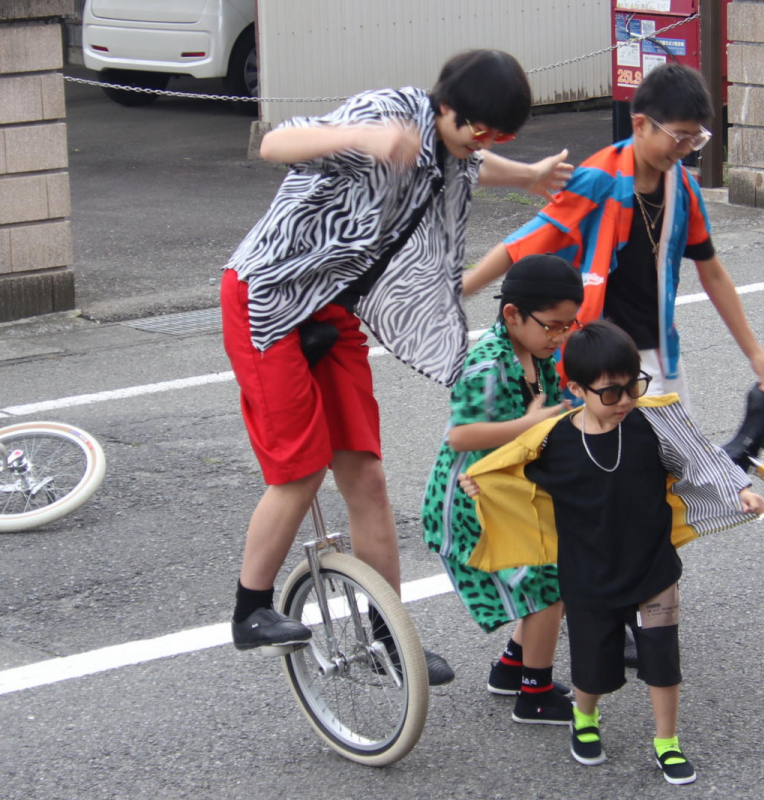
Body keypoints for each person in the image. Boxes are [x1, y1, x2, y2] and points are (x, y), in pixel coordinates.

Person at [220, 49, 573, 687]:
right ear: (449, 109)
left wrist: (526, 175)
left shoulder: (455, 144)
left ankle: (386, 635)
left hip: (332, 306)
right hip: (268, 298)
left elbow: (466, 163)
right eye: (483, 131)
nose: (486, 144)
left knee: (367, 474)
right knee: (300, 470)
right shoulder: (385, 112)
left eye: (501, 136)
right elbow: (278, 142)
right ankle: (249, 608)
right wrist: (366, 137)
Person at [461, 320, 764, 785]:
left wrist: (738, 488)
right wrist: (476, 481)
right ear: (578, 388)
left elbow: (700, 455)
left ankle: (667, 741)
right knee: (592, 663)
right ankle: (585, 719)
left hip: (652, 567)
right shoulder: (553, 440)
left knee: (662, 657)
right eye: (611, 392)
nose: (625, 400)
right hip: (586, 576)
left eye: (633, 386)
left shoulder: (653, 422)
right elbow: (507, 469)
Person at [462, 63, 764, 405]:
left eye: (696, 138)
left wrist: (755, 354)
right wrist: (457, 293)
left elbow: (713, 272)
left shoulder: (683, 189)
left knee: (675, 453)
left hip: (662, 353)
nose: (686, 148)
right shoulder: (598, 181)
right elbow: (521, 245)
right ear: (640, 124)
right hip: (602, 362)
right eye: (679, 136)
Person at [422, 254, 584, 724]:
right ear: (512, 314)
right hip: (467, 504)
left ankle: (514, 667)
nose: (559, 336)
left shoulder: (536, 354)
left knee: (563, 567)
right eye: (552, 326)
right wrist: (527, 423)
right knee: (548, 582)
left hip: (503, 494)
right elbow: (460, 435)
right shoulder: (487, 365)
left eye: (567, 326)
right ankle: (534, 694)